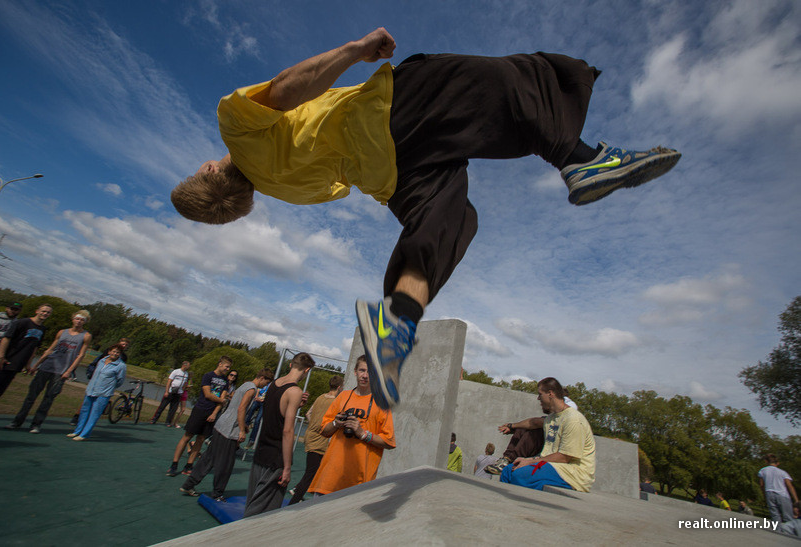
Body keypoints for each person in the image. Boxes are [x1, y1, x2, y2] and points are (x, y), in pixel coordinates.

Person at [170, 28, 682, 411]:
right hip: (391, 113)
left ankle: (394, 327)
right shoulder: (236, 127)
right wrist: (354, 50)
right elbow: (285, 89)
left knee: (451, 223)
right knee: (511, 79)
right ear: (211, 168)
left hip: (395, 173)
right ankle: (583, 158)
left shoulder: (285, 190)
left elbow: (342, 175)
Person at [307, 356, 395, 497]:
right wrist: (336, 423)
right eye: (362, 370)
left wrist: (363, 433)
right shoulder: (343, 397)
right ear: (355, 371)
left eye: (370, 372)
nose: (365, 376)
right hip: (329, 479)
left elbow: (389, 442)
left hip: (359, 483)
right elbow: (324, 430)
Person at [180, 368, 273, 501]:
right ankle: (218, 493)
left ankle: (189, 484)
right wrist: (241, 430)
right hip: (229, 431)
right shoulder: (251, 389)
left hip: (221, 425)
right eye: (266, 383)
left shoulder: (245, 384)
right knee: (225, 464)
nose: (265, 386)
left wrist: (244, 425)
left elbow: (236, 407)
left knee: (209, 458)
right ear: (262, 378)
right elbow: (241, 408)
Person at [244, 353, 315, 517]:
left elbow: (276, 411)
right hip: (275, 459)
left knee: (252, 502)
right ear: (307, 370)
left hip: (261, 452)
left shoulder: (274, 384)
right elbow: (287, 430)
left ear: (291, 365)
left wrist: (296, 405)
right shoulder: (295, 391)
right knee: (261, 513)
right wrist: (287, 467)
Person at [498, 377, 596, 492]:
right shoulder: (551, 418)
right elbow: (533, 423)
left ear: (550, 394)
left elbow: (565, 457)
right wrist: (512, 426)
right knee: (508, 471)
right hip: (553, 465)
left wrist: (530, 461)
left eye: (540, 394)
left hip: (573, 473)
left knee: (520, 475)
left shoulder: (573, 419)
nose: (538, 398)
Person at [7, 310, 92, 433]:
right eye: (77, 319)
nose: (79, 321)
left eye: (82, 320)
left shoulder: (86, 336)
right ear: (73, 319)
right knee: (31, 396)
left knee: (48, 398)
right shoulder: (62, 332)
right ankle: (17, 421)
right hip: (47, 366)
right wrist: (36, 365)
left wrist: (69, 371)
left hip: (61, 371)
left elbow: (80, 355)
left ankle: (36, 424)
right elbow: (50, 350)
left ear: (85, 322)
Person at [0, 304, 52, 418]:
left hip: (16, 365)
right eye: (43, 311)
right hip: (5, 361)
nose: (45, 314)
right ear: (37, 311)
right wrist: (0, 356)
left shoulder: (42, 329)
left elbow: (34, 347)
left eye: (48, 312)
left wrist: (29, 364)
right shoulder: (22, 323)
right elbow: (6, 338)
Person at [166, 357, 231, 477]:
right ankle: (174, 464)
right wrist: (221, 400)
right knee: (187, 436)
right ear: (220, 364)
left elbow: (222, 401)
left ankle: (189, 465)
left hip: (211, 413)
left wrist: (214, 413)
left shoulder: (225, 381)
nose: (228, 369)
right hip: (200, 409)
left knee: (201, 439)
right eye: (226, 366)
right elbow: (207, 394)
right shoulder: (208, 376)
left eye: (229, 367)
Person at [288, 374, 344, 505]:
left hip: (311, 435)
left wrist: (313, 424)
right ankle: (295, 497)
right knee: (311, 472)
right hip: (321, 439)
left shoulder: (320, 397)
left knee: (314, 470)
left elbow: (308, 413)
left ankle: (298, 491)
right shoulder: (335, 402)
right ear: (340, 387)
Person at [68, 344, 126, 440]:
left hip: (103, 393)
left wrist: (109, 386)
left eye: (118, 352)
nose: (115, 354)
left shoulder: (121, 366)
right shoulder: (102, 360)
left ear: (120, 354)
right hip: (91, 389)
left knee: (94, 414)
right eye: (113, 351)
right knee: (84, 411)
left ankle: (84, 434)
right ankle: (77, 431)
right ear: (109, 352)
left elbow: (120, 380)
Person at [758, 453, 798, 523]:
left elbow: (762, 485)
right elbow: (790, 486)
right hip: (782, 494)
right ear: (778, 463)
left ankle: (777, 531)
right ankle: (789, 531)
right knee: (788, 516)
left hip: (769, 493)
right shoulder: (783, 472)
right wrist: (796, 500)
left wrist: (764, 496)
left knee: (775, 516)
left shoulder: (763, 471)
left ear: (767, 461)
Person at [150, 361, 191, 426]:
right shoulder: (176, 371)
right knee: (162, 406)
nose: (189, 367)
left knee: (173, 408)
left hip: (178, 393)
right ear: (184, 365)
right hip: (171, 391)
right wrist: (167, 391)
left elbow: (185, 383)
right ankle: (154, 419)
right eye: (188, 365)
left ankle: (168, 422)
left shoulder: (186, 374)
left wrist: (182, 391)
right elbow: (169, 381)